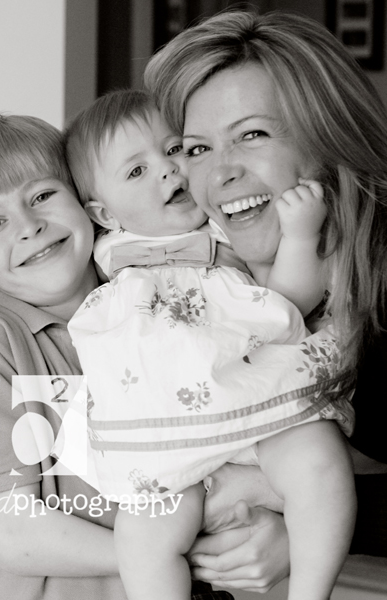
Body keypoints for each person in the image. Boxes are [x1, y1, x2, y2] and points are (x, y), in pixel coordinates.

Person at [60, 88, 355, 600]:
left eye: (175, 149)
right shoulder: (105, 256)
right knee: (142, 539)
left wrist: (300, 237)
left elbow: (285, 304)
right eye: (137, 171)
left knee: (320, 464)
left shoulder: (226, 228)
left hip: (256, 400)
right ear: (103, 212)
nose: (167, 170)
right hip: (165, 437)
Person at [0, 113, 240, 600]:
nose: (29, 226)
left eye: (42, 196)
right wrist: (170, 554)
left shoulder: (160, 301)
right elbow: (16, 536)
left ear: (88, 203)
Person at [144, 8, 387, 560]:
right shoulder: (201, 284)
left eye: (252, 135)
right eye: (197, 148)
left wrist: (285, 510)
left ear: (328, 138)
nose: (220, 172)